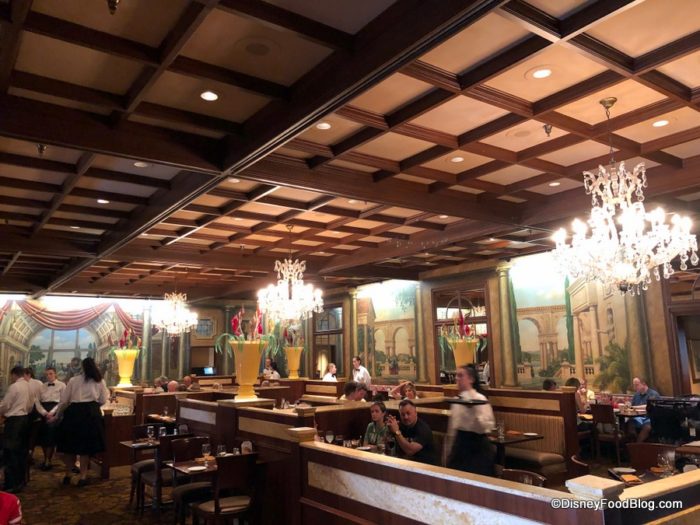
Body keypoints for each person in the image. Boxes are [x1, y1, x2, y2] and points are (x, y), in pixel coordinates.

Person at [50, 357, 110, 487]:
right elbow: (103, 400)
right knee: (85, 448)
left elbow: (64, 401)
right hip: (91, 414)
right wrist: (93, 406)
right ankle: (83, 476)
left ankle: (68, 474)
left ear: (82, 367)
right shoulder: (100, 381)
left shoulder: (74, 380)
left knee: (69, 447)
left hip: (74, 413)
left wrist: (57, 415)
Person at [446, 364, 495, 476]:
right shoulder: (456, 400)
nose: (457, 378)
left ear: (471, 379)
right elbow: (452, 429)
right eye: (456, 376)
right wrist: (448, 451)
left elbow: (488, 425)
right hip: (460, 445)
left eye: (460, 375)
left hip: (477, 446)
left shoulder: (480, 399)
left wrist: (474, 410)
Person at [0, 366, 32, 493]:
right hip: (25, 420)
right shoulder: (29, 385)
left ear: (14, 374)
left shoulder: (14, 387)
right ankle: (21, 481)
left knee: (11, 453)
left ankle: (11, 484)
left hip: (14, 423)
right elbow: (30, 405)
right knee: (21, 453)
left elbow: (6, 405)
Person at [386, 400, 437, 465]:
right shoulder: (400, 425)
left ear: (415, 413)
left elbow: (410, 451)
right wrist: (390, 429)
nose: (405, 417)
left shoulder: (423, 429)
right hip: (405, 464)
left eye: (408, 413)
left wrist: (396, 432)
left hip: (425, 467)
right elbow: (388, 444)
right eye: (402, 414)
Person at [34, 367, 66, 470]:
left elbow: (63, 401)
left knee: (51, 437)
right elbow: (37, 401)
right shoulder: (41, 386)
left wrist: (52, 412)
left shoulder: (62, 385)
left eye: (51, 373)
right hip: (43, 411)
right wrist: (44, 412)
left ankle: (48, 460)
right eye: (47, 374)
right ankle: (46, 459)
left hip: (55, 411)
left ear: (55, 374)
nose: (48, 376)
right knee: (43, 437)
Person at [627, 377, 660, 443]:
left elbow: (652, 408)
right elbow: (632, 407)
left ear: (643, 384)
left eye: (636, 385)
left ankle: (637, 445)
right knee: (629, 423)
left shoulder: (653, 394)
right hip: (638, 418)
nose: (635, 388)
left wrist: (636, 408)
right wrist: (628, 406)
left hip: (649, 418)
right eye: (634, 385)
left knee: (647, 427)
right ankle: (633, 443)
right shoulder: (636, 395)